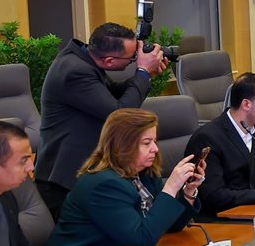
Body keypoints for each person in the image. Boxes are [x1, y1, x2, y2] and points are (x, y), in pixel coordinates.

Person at [34, 22, 168, 219]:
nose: (134, 60)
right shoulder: (74, 71)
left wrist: (147, 75)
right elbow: (119, 113)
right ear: (109, 61)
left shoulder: (85, 59)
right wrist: (142, 72)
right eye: (132, 58)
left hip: (81, 173)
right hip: (64, 181)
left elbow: (113, 95)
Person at [46, 109, 201, 246]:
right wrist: (171, 187)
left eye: (154, 141)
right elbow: (142, 240)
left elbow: (169, 225)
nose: (155, 148)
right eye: (146, 143)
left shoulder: (145, 173)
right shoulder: (103, 184)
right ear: (122, 145)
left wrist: (188, 191)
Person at [183, 74, 255, 218]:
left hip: (253, 212)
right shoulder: (207, 138)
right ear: (246, 104)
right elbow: (213, 196)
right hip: (220, 219)